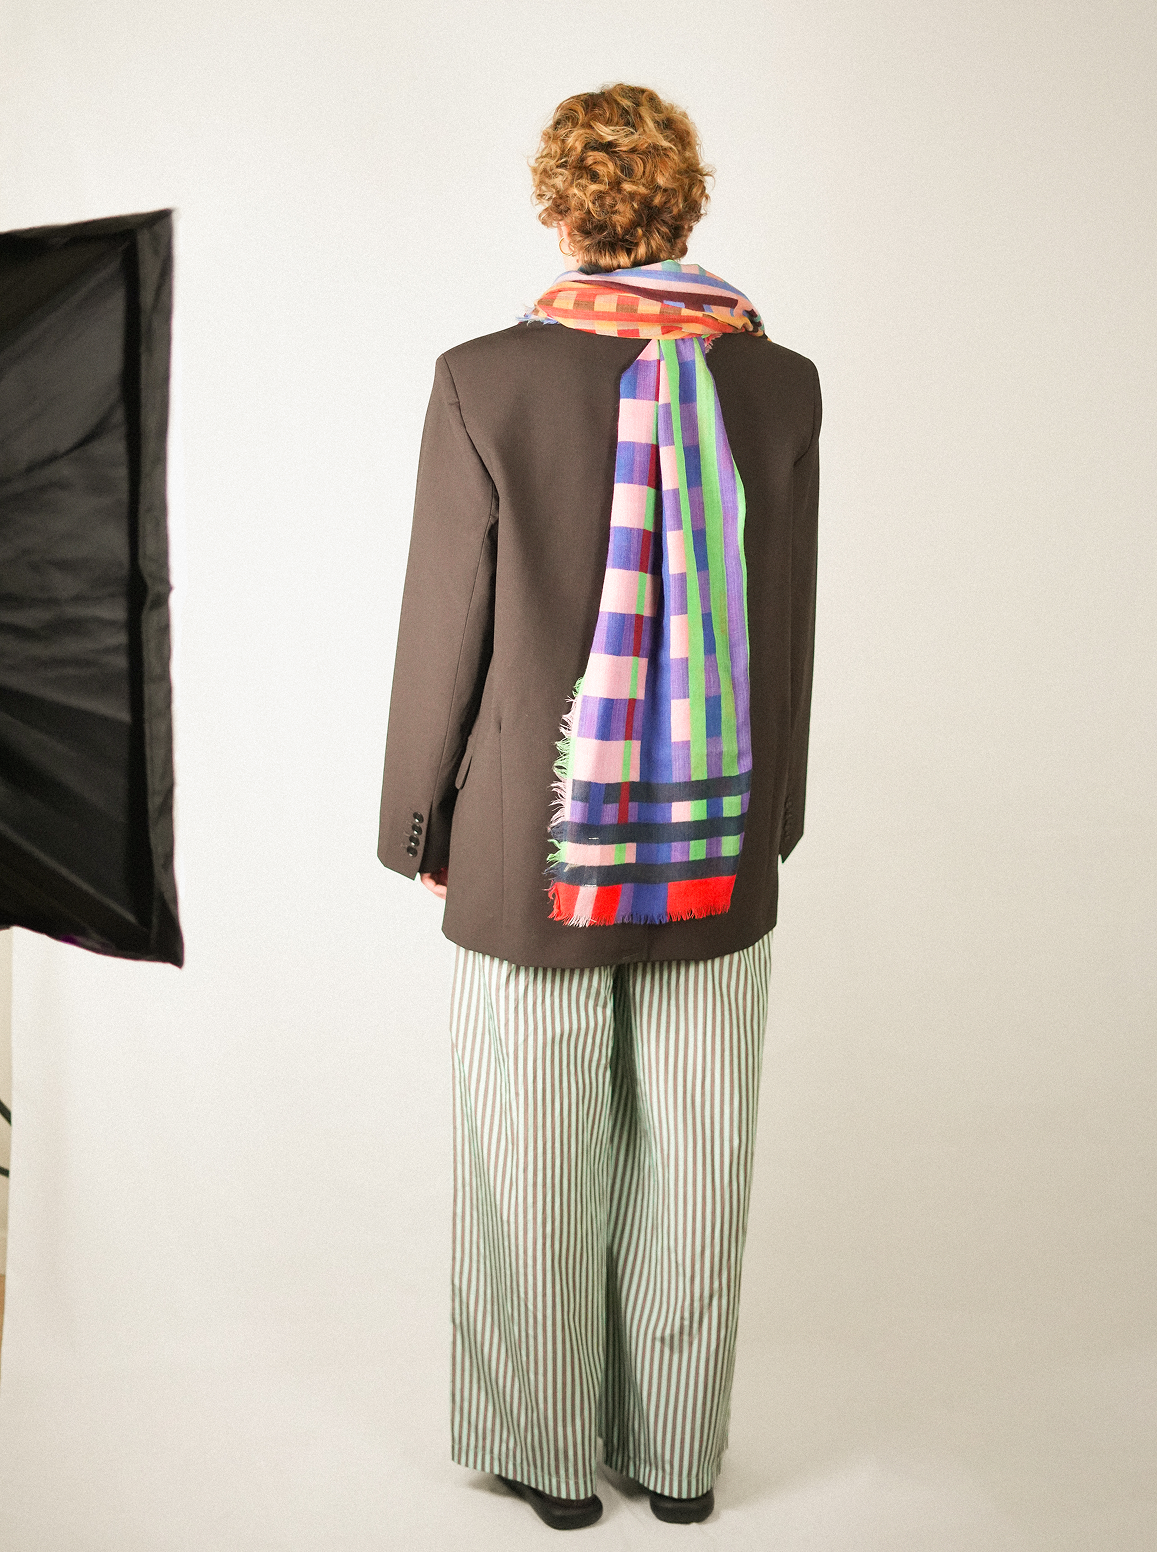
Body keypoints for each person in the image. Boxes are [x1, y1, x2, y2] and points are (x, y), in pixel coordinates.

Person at [377, 83, 820, 1532]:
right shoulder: (779, 383)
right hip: (714, 835)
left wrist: (419, 827)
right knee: (696, 1158)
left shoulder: (482, 378)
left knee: (532, 1158)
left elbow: (447, 626)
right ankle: (680, 1462)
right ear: (685, 203)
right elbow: (787, 623)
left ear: (558, 208)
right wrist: (772, 821)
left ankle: (555, 1464)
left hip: (533, 836)